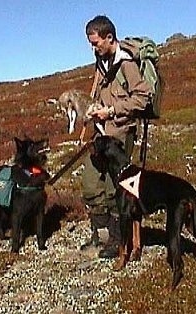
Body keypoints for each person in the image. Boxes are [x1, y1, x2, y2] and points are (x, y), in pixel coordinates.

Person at [81, 15, 152, 258]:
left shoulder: (127, 64)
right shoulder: (100, 63)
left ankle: (117, 240)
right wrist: (94, 109)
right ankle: (101, 235)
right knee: (91, 185)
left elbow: (143, 98)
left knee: (115, 190)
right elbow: (99, 94)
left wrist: (111, 111)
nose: (93, 47)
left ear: (109, 37)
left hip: (121, 135)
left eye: (95, 42)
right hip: (100, 136)